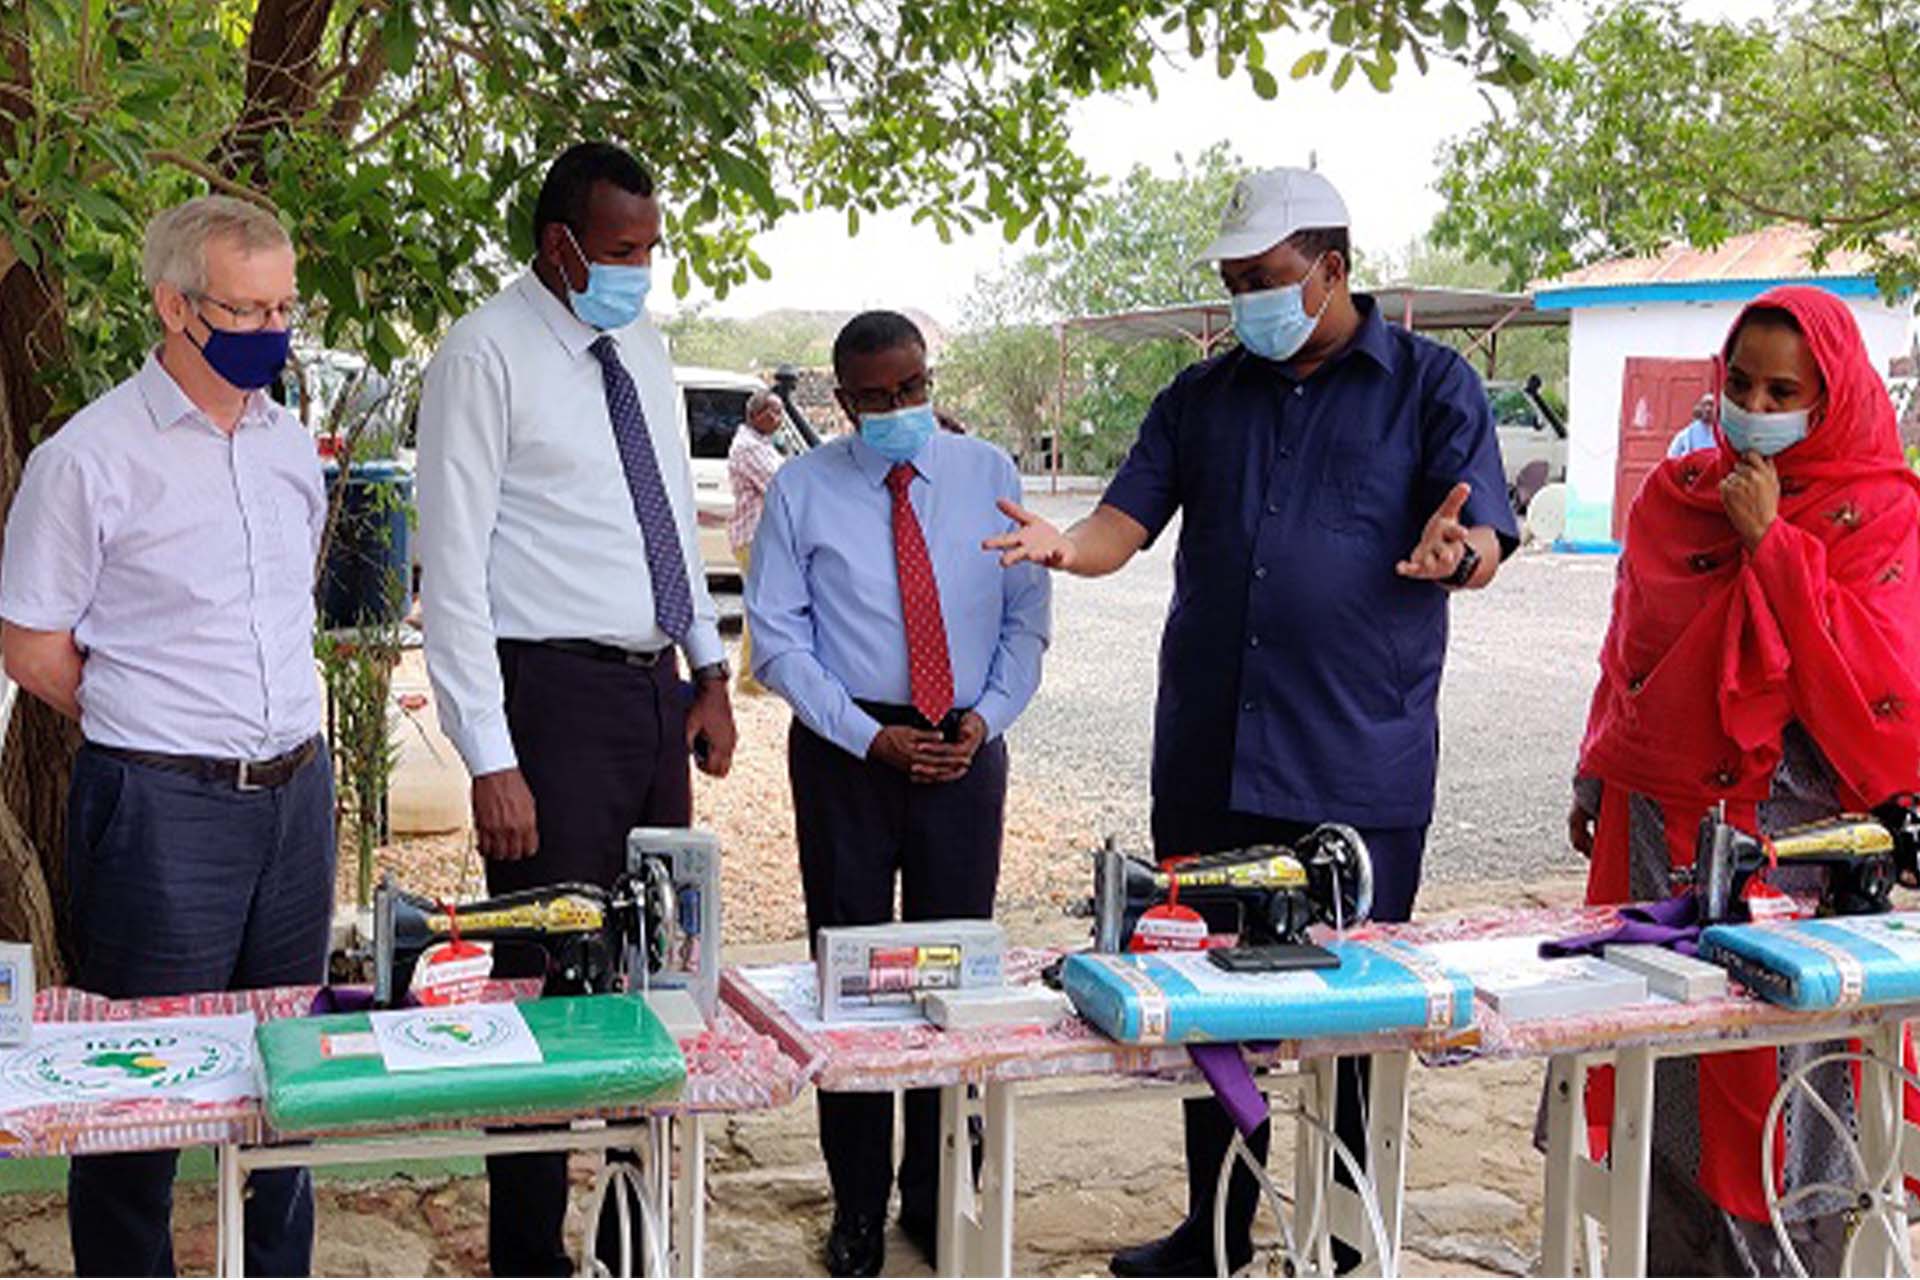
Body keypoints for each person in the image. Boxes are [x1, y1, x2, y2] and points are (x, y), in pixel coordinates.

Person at [987, 167, 1517, 1276]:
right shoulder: (1201, 398)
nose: (1245, 303)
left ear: (1331, 269)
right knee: (1206, 1008)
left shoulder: (1432, 385)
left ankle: (1341, 1234)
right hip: (1212, 759)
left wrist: (1460, 557)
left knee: (1359, 1024)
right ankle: (1215, 1229)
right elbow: (1120, 524)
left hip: (1356, 768)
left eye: (1264, 280)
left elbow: (1484, 534)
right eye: (1232, 283)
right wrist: (1061, 546)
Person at [414, 141, 737, 1277]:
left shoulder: (636, 344)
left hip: (653, 696)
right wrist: (490, 755)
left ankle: (631, 1232)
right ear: (559, 246)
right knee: (548, 983)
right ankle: (529, 1253)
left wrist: (707, 669)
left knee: (654, 969)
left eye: (651, 248)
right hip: (548, 701)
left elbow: (667, 525)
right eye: (621, 251)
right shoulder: (484, 354)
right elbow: (450, 572)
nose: (642, 270)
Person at [0, 195, 331, 1276]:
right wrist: (152, 715)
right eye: (249, 308)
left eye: (287, 305)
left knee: (293, 1073)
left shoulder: (288, 447)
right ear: (173, 306)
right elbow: (34, 644)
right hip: (158, 811)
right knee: (136, 1095)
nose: (273, 329)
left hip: (295, 797)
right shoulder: (89, 457)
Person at [1569, 285, 1920, 1274]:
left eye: (1783, 389)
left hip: (1790, 860)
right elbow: (1624, 652)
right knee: (1664, 1090)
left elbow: (1880, 700)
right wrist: (1595, 774)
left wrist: (1776, 546)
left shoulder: (1881, 517)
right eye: (1739, 382)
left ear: (1832, 397)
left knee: (1780, 1102)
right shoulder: (1675, 495)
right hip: (1655, 839)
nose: (1754, 405)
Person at [745, 311, 1050, 1276]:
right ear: (844, 402)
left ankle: (935, 1193)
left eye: (911, 389)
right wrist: (869, 736)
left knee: (954, 976)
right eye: (875, 399)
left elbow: (1025, 621)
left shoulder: (990, 476)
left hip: (963, 744)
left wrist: (984, 719)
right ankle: (858, 1205)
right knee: (854, 978)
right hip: (850, 751)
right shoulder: (802, 489)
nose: (898, 409)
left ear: (929, 378)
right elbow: (780, 641)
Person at [728, 388, 785, 694]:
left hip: (761, 535)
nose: (779, 418)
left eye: (780, 411)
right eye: (772, 412)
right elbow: (779, 485)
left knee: (764, 606)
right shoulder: (750, 447)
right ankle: (750, 679)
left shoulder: (762, 444)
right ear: (754, 415)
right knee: (760, 607)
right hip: (753, 535)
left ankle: (757, 675)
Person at [1667, 392, 1717, 457]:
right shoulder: (1686, 434)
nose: (1708, 409)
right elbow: (1671, 456)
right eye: (1704, 405)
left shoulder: (1722, 434)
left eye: (1711, 405)